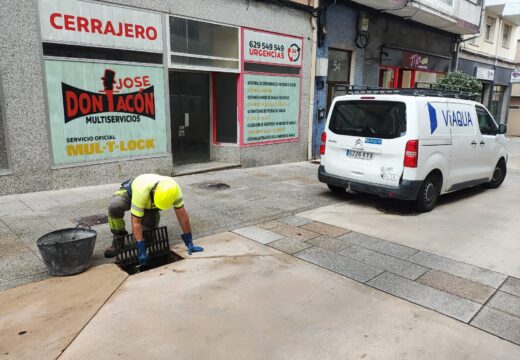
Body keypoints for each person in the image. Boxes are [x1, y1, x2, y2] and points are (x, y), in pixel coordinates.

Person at [105, 174, 204, 265]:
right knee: (114, 207)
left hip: (151, 201)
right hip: (132, 193)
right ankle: (118, 240)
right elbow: (136, 221)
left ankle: (148, 232)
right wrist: (141, 248)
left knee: (147, 236)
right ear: (153, 193)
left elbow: (182, 214)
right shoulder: (141, 192)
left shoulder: (174, 190)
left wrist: (189, 241)